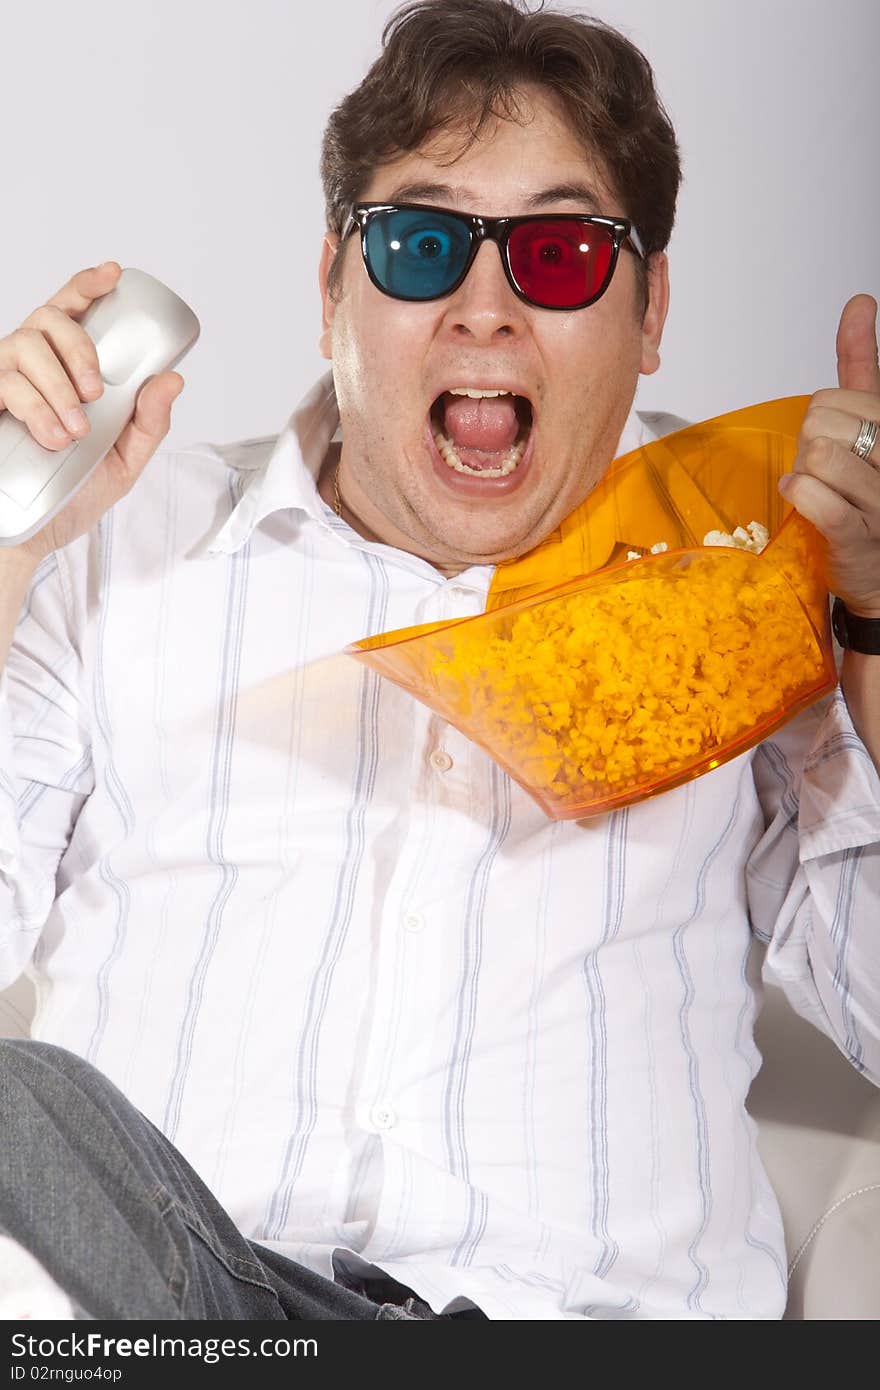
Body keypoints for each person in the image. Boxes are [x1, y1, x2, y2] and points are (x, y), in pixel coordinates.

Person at [0, 0, 878, 1322]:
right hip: (163, 1321)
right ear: (331, 290)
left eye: (565, 253)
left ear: (651, 317)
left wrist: (870, 637)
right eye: (420, 243)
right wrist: (3, 545)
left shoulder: (757, 580)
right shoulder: (115, 545)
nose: (485, 309)